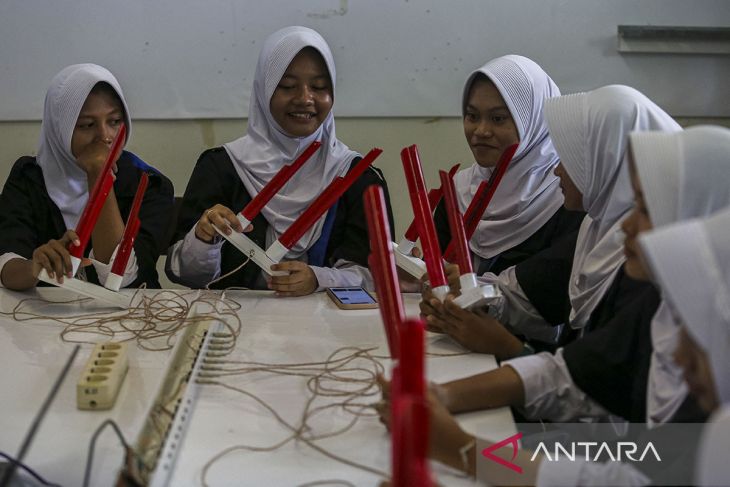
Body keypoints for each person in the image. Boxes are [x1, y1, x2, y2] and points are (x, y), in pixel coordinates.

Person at [422, 85, 679, 359]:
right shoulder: (595, 227)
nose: (556, 169)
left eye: (498, 118)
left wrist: (509, 349)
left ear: (606, 161)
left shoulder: (638, 265)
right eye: (472, 116)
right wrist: (472, 300)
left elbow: (593, 380)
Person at [166, 26, 394, 295]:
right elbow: (187, 275)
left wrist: (319, 279)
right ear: (264, 90)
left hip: (332, 330)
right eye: (287, 86)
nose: (305, 99)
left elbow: (378, 276)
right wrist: (204, 239)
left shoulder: (356, 176)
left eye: (320, 87)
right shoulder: (223, 167)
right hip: (235, 325)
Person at [0, 64, 174, 291]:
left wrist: (99, 177)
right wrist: (35, 267)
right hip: (46, 319)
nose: (105, 137)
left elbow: (121, 279)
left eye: (114, 122)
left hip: (129, 319)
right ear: (59, 128)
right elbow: (8, 270)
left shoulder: (148, 183)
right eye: (87, 125)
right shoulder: (29, 177)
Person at [433, 55, 584, 276]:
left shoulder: (565, 196)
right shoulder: (459, 191)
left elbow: (555, 294)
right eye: (472, 116)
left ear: (534, 121)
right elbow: (438, 271)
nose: (481, 131)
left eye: (498, 119)